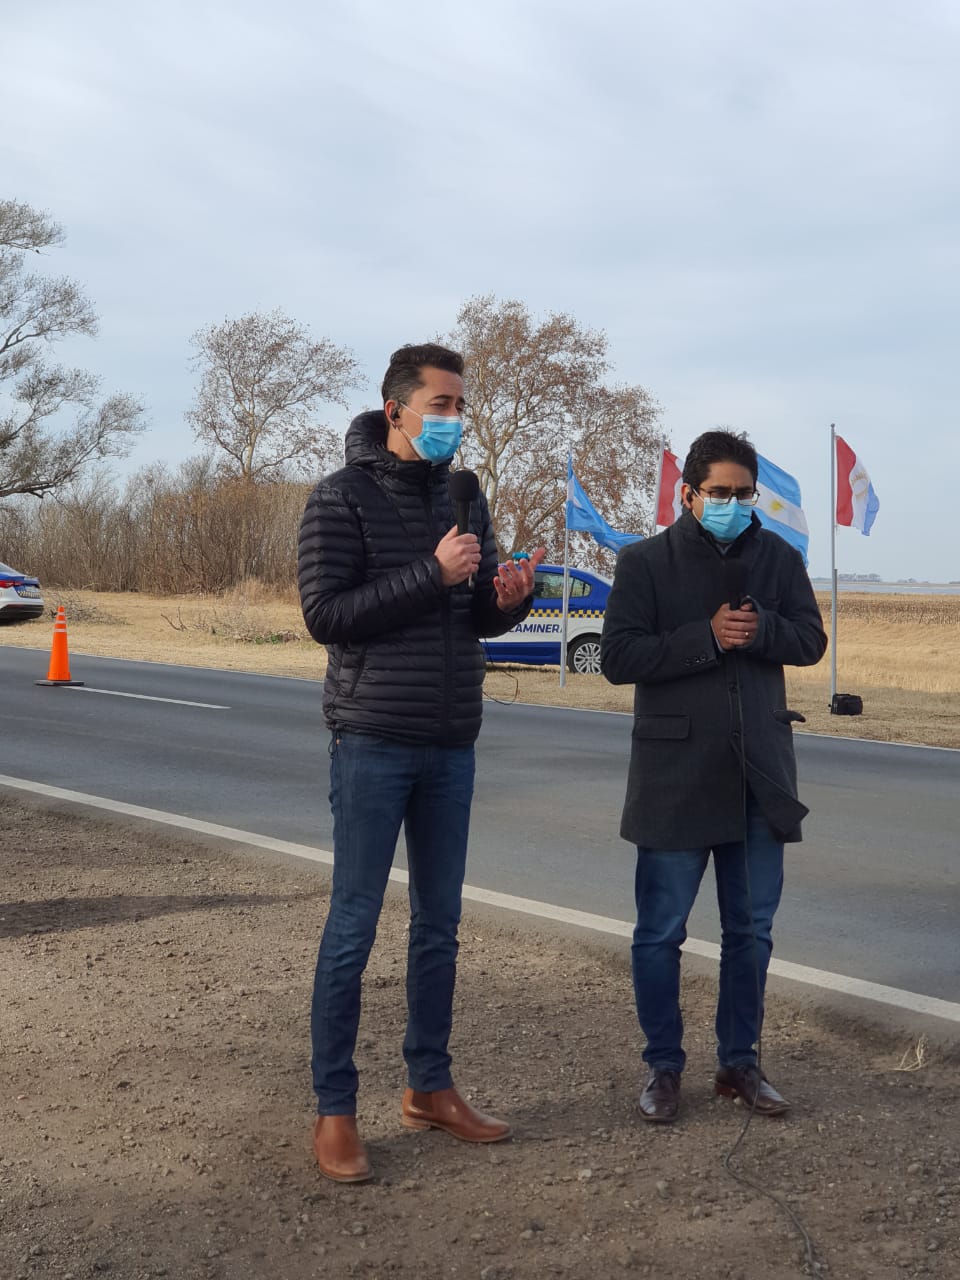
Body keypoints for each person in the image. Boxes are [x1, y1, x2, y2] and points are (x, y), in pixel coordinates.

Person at [298, 342, 545, 1182]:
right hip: (370, 739)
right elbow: (326, 614)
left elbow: (470, 615)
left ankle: (429, 1087)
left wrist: (508, 600)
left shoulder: (463, 495)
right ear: (397, 408)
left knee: (439, 928)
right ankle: (335, 1112)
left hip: (451, 743)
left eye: (460, 407)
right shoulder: (340, 498)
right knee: (353, 930)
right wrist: (429, 573)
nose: (454, 421)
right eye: (442, 405)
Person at [600, 430, 826, 1124]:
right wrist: (705, 637)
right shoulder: (645, 563)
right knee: (660, 932)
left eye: (743, 494)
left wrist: (759, 634)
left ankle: (740, 1063)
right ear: (688, 493)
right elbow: (617, 656)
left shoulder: (779, 560)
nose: (732, 504)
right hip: (675, 777)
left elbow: (810, 641)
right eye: (719, 493)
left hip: (760, 776)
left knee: (751, 933)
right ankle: (664, 1070)